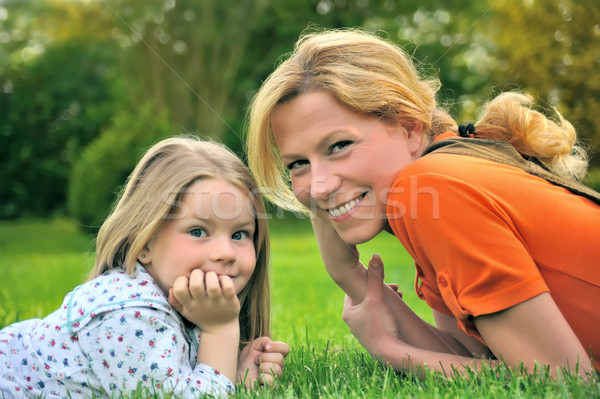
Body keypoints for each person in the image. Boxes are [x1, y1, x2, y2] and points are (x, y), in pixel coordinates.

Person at [245, 28, 599, 378]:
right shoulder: (438, 176)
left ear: (410, 128)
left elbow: (562, 379)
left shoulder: (431, 187)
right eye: (297, 164)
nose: (319, 187)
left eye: (339, 146)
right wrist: (348, 274)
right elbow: (468, 355)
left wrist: (391, 350)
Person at [0, 136, 289, 398]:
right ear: (145, 242)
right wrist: (221, 330)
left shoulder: (185, 306)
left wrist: (236, 375)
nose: (226, 253)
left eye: (239, 235)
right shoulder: (128, 315)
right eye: (198, 231)